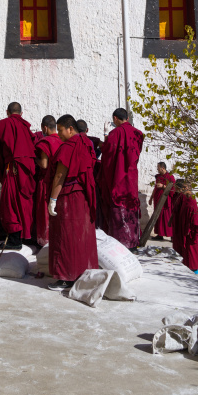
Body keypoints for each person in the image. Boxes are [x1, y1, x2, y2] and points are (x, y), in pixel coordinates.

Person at [47, 114, 98, 291]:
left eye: (60, 130)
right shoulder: (86, 142)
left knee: (66, 237)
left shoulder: (69, 146)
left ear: (70, 129)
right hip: (83, 195)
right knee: (81, 236)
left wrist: (53, 199)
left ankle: (65, 278)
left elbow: (60, 175)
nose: (59, 134)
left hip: (68, 196)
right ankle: (82, 273)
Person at [0, 103, 36, 250]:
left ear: (7, 112)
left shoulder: (7, 123)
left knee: (9, 203)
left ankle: (14, 240)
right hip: (27, 168)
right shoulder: (24, 126)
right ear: (21, 113)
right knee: (23, 202)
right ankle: (23, 237)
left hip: (14, 169)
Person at [98, 108, 144, 249]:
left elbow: (107, 153)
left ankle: (120, 244)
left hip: (118, 177)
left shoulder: (115, 133)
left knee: (118, 209)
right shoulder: (138, 134)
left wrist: (104, 137)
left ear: (115, 119)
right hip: (131, 177)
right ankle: (133, 242)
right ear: (127, 118)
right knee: (130, 207)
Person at [34, 116, 62, 247]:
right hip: (60, 181)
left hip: (46, 181)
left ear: (44, 127)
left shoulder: (45, 142)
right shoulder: (62, 140)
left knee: (44, 211)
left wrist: (35, 159)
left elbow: (44, 164)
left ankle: (45, 241)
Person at [171, 179, 198, 273]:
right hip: (183, 226)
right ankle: (186, 266)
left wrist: (190, 228)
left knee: (190, 249)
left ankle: (193, 268)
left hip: (190, 228)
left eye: (177, 188)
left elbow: (194, 215)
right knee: (185, 249)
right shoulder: (183, 196)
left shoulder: (190, 198)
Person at [148, 162, 175, 241]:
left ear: (162, 168)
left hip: (166, 201)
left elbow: (173, 188)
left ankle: (172, 236)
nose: (157, 169)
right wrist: (151, 197)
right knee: (158, 217)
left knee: (167, 217)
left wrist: (163, 186)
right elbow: (155, 188)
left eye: (158, 167)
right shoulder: (158, 177)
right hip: (157, 200)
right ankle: (160, 234)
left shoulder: (170, 177)